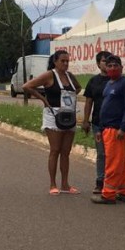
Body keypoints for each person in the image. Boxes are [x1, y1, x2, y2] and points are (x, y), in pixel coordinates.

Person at [24, 50, 82, 195]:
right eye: (62, 61)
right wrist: (43, 99)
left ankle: (65, 184)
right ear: (55, 61)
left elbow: (78, 87)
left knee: (66, 151)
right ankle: (52, 184)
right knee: (55, 149)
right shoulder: (49, 75)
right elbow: (27, 86)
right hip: (53, 115)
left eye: (67, 61)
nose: (65, 64)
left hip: (69, 115)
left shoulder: (69, 76)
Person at [91, 55, 125, 205]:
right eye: (109, 66)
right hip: (105, 128)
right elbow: (104, 107)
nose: (112, 68)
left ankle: (108, 194)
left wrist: (123, 127)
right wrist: (99, 129)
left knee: (113, 162)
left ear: (121, 68)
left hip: (116, 130)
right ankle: (124, 191)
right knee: (120, 162)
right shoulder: (109, 84)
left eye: (115, 65)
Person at [82, 50, 112, 195]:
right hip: (97, 124)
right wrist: (85, 121)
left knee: (113, 154)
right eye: (104, 61)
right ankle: (100, 182)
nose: (107, 64)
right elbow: (88, 102)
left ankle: (113, 182)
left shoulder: (117, 80)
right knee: (101, 153)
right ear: (98, 64)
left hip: (114, 124)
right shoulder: (93, 81)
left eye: (110, 61)